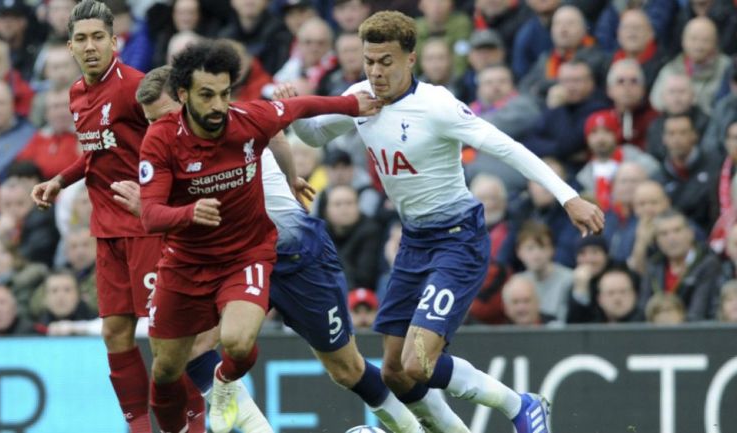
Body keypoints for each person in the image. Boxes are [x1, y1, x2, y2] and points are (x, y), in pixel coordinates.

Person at [281, 10, 604, 433]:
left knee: (420, 361)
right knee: (396, 371)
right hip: (414, 240)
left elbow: (508, 147)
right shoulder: (361, 96)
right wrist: (295, 110)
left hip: (458, 238)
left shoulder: (437, 106)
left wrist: (569, 197)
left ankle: (521, 405)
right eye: (369, 61)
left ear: (410, 59)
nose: (376, 72)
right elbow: (314, 136)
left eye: (386, 61)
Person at [132, 63, 422, 433]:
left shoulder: (235, 125)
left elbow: (282, 126)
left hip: (295, 255)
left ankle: (412, 428)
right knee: (193, 350)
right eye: (150, 121)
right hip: (234, 260)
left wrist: (288, 178)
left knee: (345, 368)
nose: (157, 127)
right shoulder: (165, 146)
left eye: (164, 116)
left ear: (185, 99)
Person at [28, 3, 199, 432]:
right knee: (115, 335)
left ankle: (195, 419)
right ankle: (139, 427)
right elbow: (97, 151)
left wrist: (156, 192)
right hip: (106, 232)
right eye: (81, 39)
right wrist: (60, 181)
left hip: (146, 229)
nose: (90, 46)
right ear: (69, 45)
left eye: (98, 37)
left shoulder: (134, 88)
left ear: (114, 40)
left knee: (166, 343)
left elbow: (178, 140)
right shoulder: (75, 94)